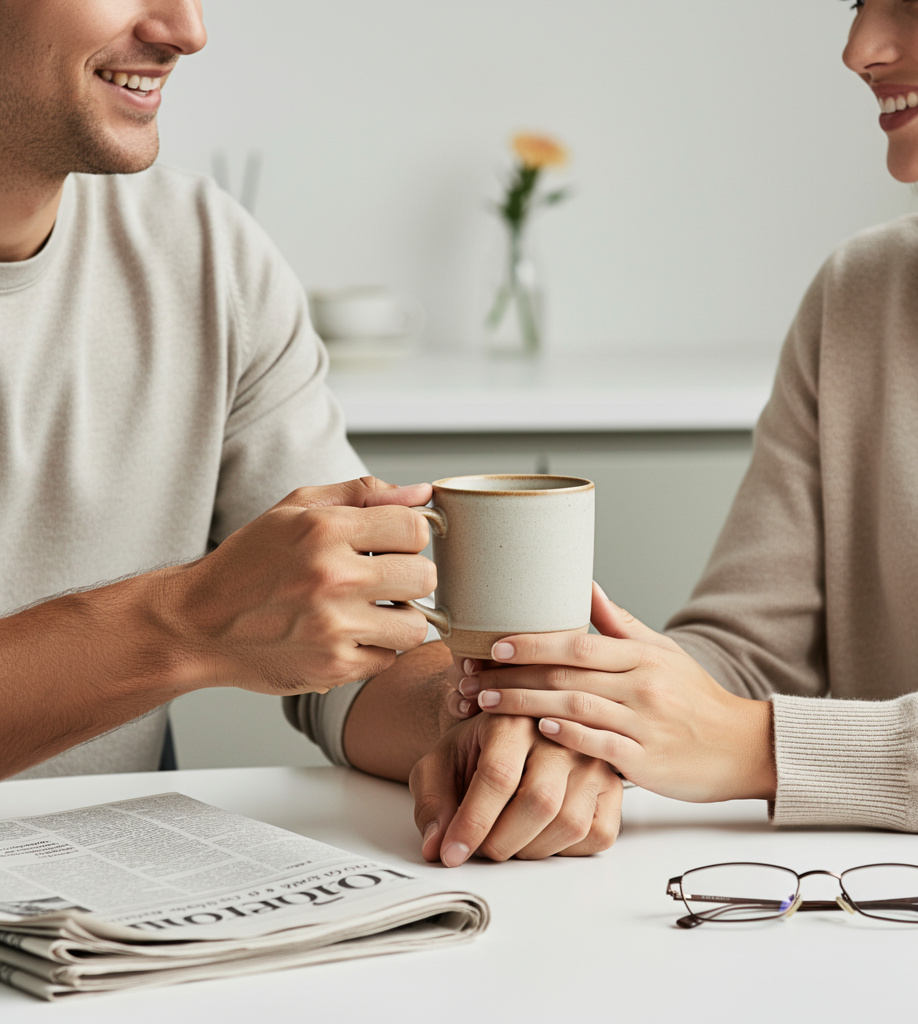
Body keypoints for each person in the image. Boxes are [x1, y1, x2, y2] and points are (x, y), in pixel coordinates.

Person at [0, 0, 623, 866]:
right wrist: (183, 624)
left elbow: (354, 646)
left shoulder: (202, 251)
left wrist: (486, 727)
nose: (186, 30)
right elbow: (213, 619)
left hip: (97, 923)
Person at [455, 0, 918, 834]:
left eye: (915, 0)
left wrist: (758, 747)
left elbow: (738, 727)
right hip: (885, 916)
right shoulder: (866, 292)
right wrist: (586, 718)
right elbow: (748, 652)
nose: (858, 49)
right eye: (858, 5)